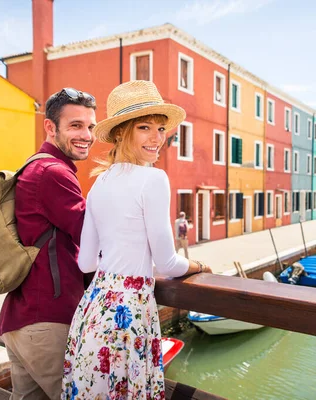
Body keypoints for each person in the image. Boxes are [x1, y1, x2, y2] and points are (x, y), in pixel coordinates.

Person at [62, 80, 212, 400]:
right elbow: (167, 262)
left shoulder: (100, 183)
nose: (157, 138)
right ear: (121, 132)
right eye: (145, 127)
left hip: (95, 308)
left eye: (160, 129)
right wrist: (200, 265)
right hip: (129, 313)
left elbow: (86, 261)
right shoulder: (154, 179)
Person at [0, 87, 97, 400]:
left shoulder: (36, 165)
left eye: (91, 126)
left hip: (22, 318)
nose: (87, 135)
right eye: (76, 125)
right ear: (50, 127)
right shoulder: (53, 172)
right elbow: (91, 235)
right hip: (47, 322)